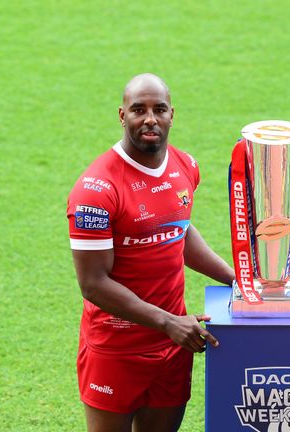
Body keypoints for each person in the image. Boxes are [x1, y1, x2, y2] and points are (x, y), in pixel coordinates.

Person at [66, 73, 235, 432]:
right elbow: (93, 284)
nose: (149, 119)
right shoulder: (95, 190)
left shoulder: (185, 166)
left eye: (158, 109)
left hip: (174, 346)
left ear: (172, 114)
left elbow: (179, 233)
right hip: (116, 349)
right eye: (138, 110)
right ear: (121, 115)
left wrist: (235, 280)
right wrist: (167, 322)